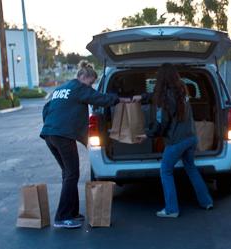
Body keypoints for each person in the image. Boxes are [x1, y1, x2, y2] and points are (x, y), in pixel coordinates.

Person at [40, 60, 130, 229]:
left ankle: (72, 213)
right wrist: (120, 99)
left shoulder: (61, 89)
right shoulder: (79, 88)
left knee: (68, 174)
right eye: (91, 82)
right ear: (83, 77)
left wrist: (52, 126)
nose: (91, 86)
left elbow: (46, 109)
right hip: (62, 135)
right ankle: (62, 217)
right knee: (72, 174)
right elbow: (100, 98)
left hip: (50, 134)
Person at [132, 63, 213, 218]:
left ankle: (171, 209)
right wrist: (142, 97)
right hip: (191, 137)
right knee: (191, 168)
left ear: (162, 78)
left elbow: (162, 123)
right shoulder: (182, 90)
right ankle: (206, 201)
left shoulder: (166, 97)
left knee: (165, 170)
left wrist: (148, 134)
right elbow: (158, 97)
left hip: (177, 141)